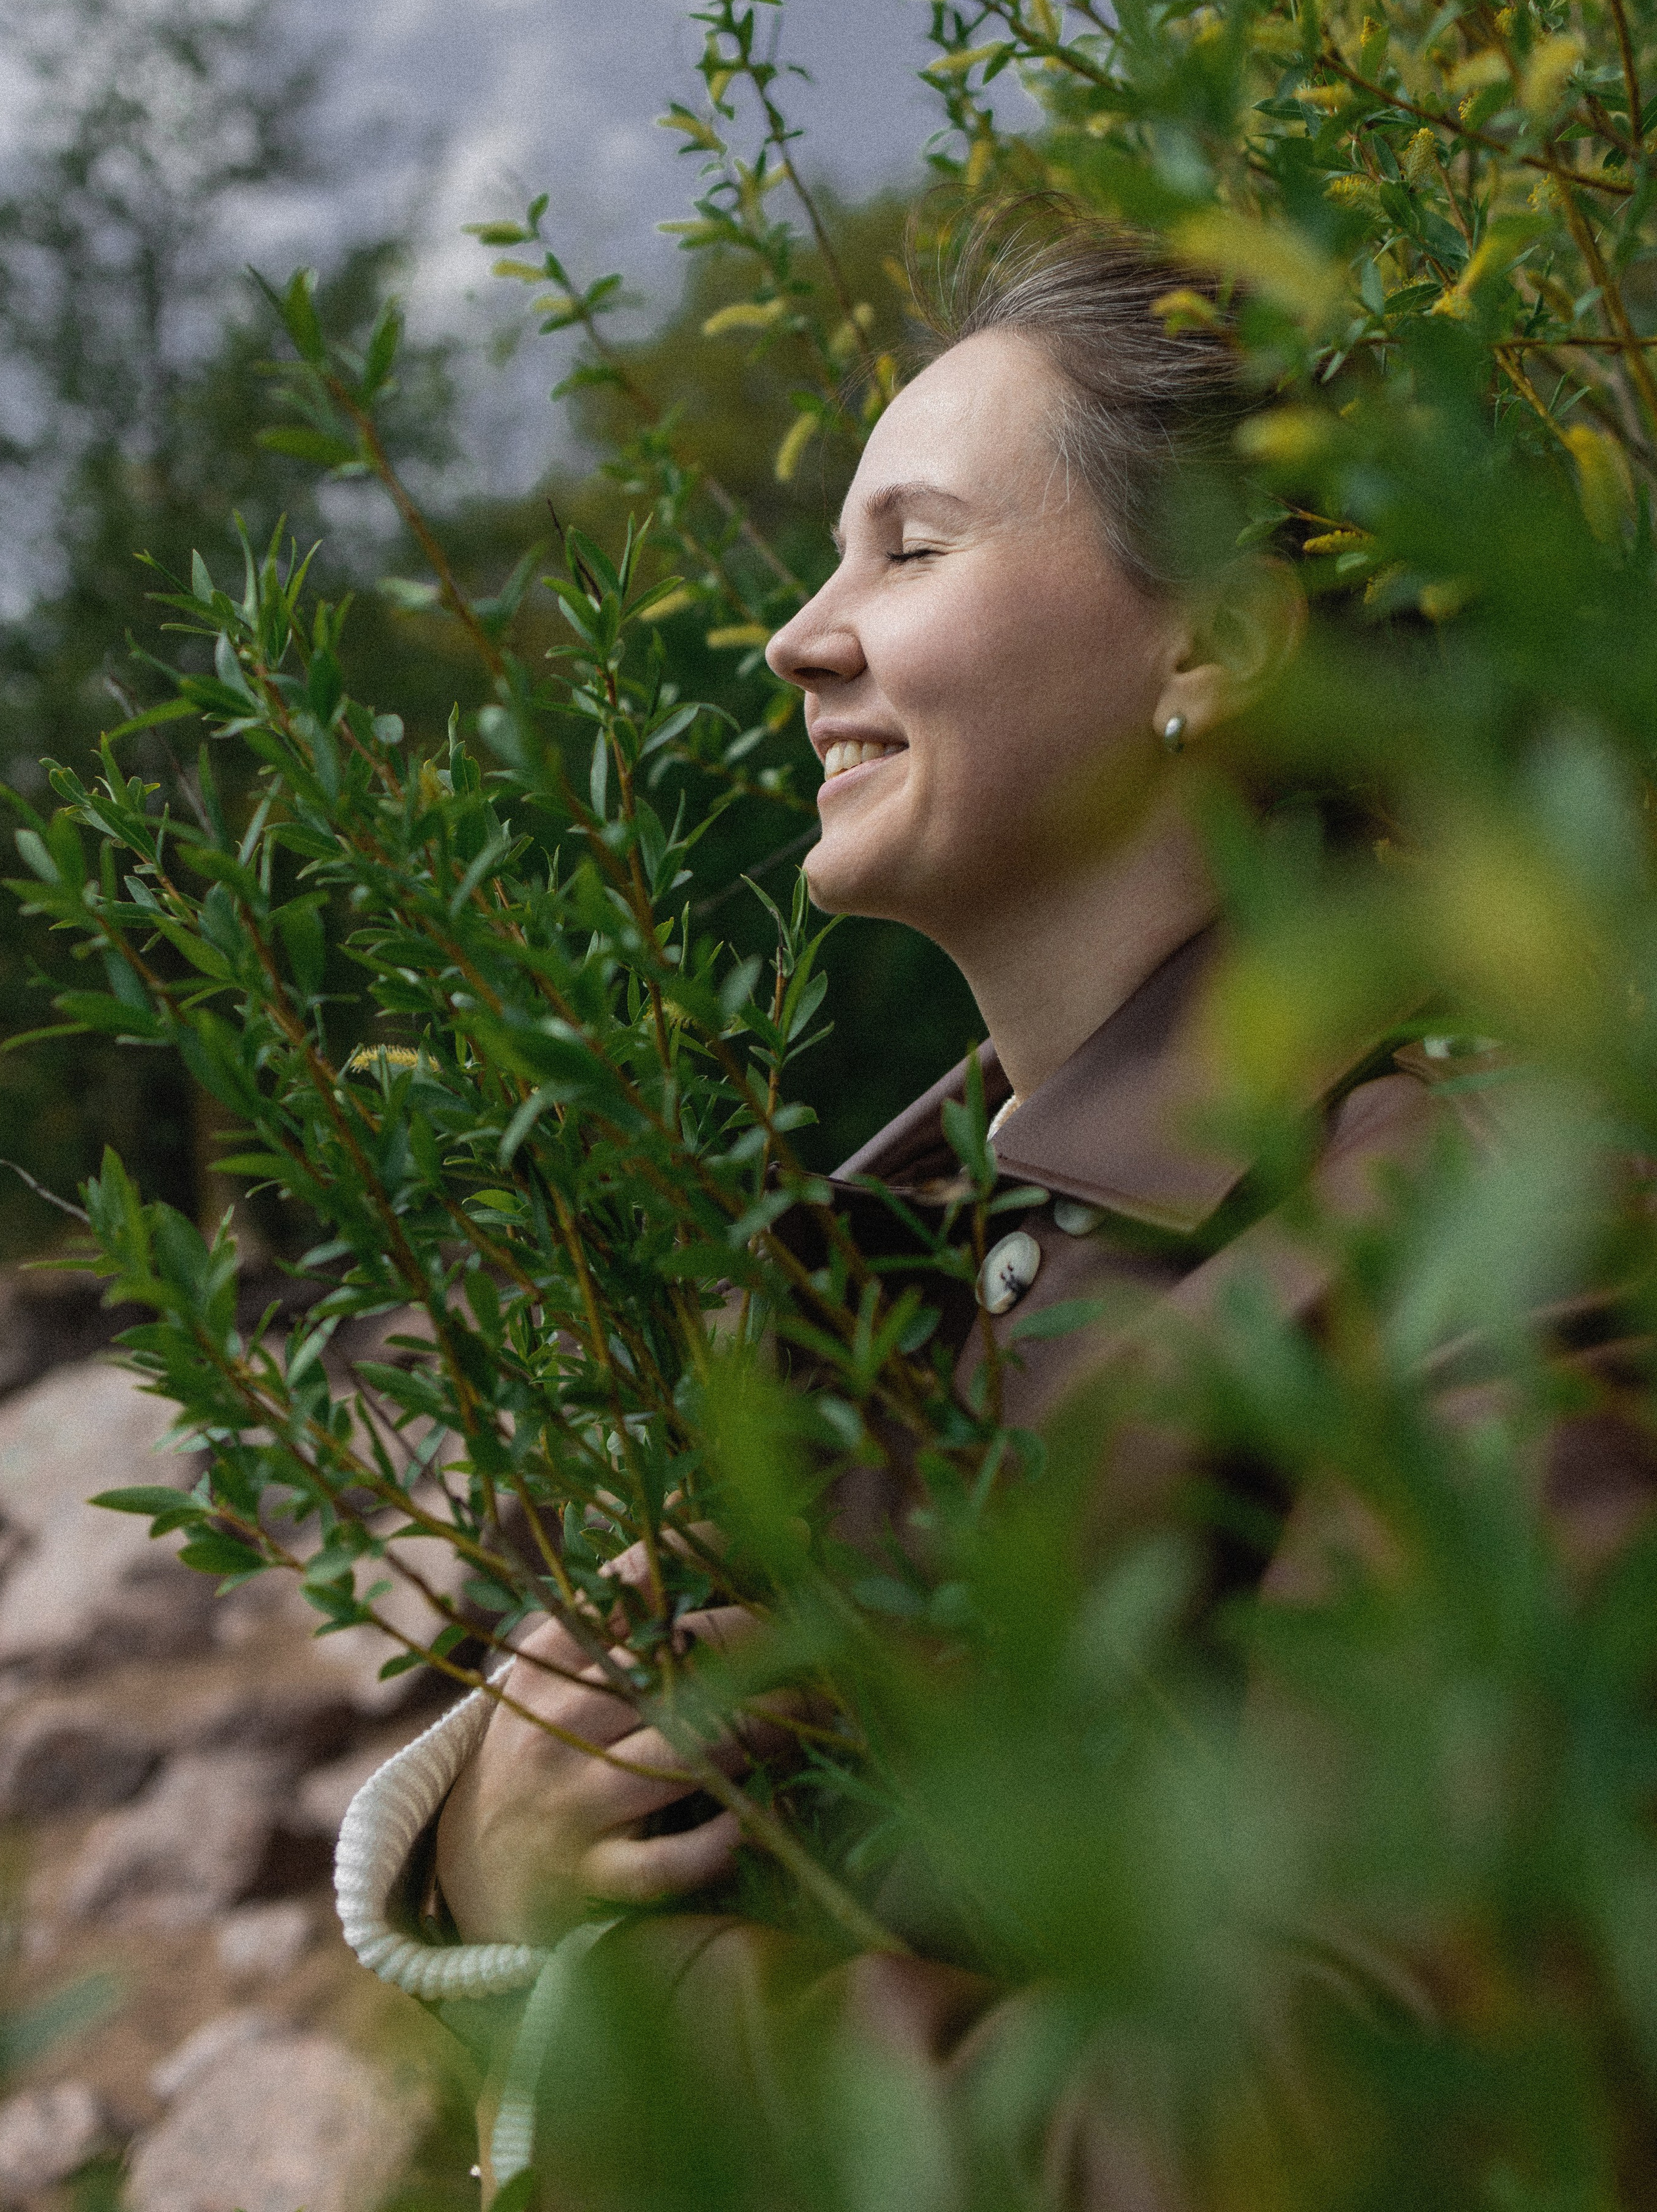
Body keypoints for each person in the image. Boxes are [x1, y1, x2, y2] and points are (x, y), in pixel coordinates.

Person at [334, 210, 1641, 2207]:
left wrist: (625, 2014)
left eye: (910, 547)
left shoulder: (1490, 1231)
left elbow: (1372, 2119)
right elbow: (558, 1755)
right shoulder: (869, 1253)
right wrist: (488, 1851)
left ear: (1207, 639)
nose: (798, 634)